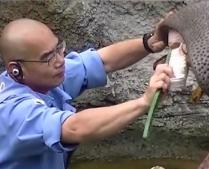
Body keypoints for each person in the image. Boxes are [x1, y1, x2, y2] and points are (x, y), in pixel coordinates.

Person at [0, 18, 173, 169]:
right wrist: (144, 102)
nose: (60, 61)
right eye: (48, 57)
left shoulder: (43, 77)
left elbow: (102, 61)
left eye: (58, 48)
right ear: (16, 69)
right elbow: (74, 128)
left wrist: (150, 42)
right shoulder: (13, 110)